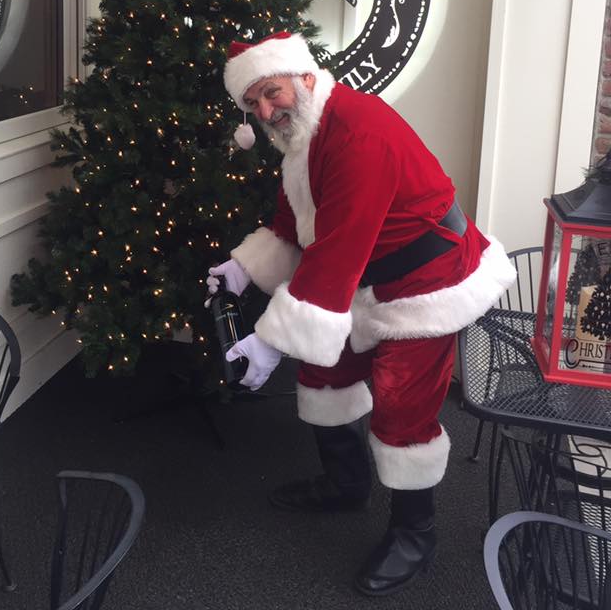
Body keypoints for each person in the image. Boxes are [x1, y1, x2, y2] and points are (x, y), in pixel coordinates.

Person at [206, 31, 515, 598]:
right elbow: (297, 221)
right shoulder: (304, 132)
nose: (266, 112)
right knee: (323, 374)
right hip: (362, 276)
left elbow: (339, 247)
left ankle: (415, 534)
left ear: (303, 77)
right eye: (253, 103)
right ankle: (345, 485)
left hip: (425, 279)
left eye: (271, 93)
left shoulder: (358, 130)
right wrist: (244, 268)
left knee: (402, 404)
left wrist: (268, 342)